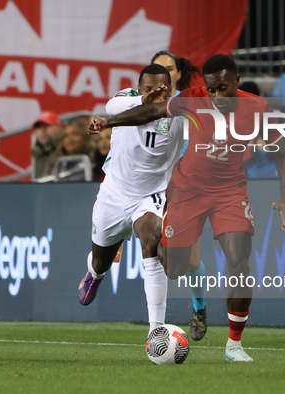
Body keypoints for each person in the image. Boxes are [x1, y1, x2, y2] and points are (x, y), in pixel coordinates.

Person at [87, 54, 285, 362]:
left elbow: (284, 151)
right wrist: (108, 122)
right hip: (184, 191)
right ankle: (190, 299)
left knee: (240, 261)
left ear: (236, 82)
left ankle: (233, 345)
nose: (215, 96)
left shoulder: (258, 109)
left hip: (228, 192)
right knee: (174, 266)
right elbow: (148, 111)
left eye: (222, 88)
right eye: (211, 89)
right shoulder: (190, 99)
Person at [77, 65, 184, 341]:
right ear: (139, 88)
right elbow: (112, 105)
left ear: (172, 90)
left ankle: (156, 332)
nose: (156, 94)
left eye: (163, 90)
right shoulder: (126, 100)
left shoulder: (180, 110)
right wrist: (142, 100)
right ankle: (95, 272)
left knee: (151, 239)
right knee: (102, 260)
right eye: (149, 89)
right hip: (113, 195)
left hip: (150, 196)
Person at [152, 51, 207, 340]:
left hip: (185, 189)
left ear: (177, 75)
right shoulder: (139, 104)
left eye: (169, 68)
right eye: (158, 67)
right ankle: (155, 325)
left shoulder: (190, 103)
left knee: (190, 264)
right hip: (148, 189)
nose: (163, 72)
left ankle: (199, 306)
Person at [30, 111, 63, 180]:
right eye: (39, 127)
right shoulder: (36, 152)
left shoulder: (67, 149)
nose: (42, 130)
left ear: (59, 127)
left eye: (47, 125)